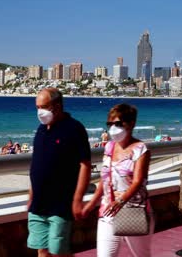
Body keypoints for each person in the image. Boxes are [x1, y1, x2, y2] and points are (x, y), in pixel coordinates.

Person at [82, 103, 154, 257]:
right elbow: (104, 179)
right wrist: (91, 203)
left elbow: (138, 181)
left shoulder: (140, 149)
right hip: (107, 212)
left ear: (131, 123)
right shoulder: (109, 147)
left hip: (134, 211)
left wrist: (120, 201)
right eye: (110, 124)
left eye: (118, 123)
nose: (113, 128)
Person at [27, 88, 92, 256]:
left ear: (57, 106)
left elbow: (85, 165)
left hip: (61, 204)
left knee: (58, 252)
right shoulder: (41, 130)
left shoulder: (74, 129)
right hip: (38, 204)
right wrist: (31, 196)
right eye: (37, 107)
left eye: (44, 106)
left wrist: (78, 199)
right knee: (42, 250)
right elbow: (37, 165)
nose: (40, 111)